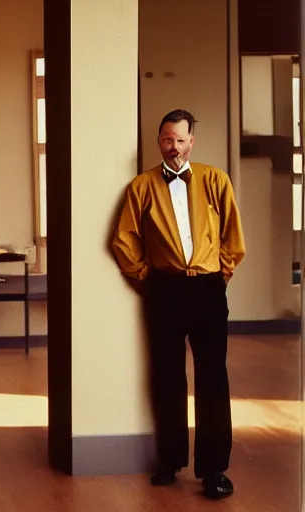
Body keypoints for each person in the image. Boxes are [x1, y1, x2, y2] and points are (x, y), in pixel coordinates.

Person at [111, 109, 245, 500]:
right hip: (164, 289)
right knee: (167, 376)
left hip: (206, 288)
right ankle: (169, 462)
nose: (174, 148)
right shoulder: (141, 186)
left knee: (212, 378)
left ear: (192, 141)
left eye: (181, 140)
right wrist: (144, 276)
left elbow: (233, 237)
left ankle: (214, 470)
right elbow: (123, 239)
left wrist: (219, 274)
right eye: (167, 140)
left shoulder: (215, 180)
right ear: (160, 141)